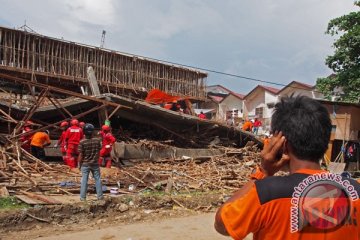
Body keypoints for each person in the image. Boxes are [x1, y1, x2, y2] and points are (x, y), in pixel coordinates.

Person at [214, 96, 360, 239]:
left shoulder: (267, 194)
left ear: (282, 144)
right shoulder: (355, 191)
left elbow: (222, 224)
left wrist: (263, 172)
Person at [78, 123, 103, 201]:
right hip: (95, 164)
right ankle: (100, 197)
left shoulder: (82, 142)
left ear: (84, 131)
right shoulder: (97, 141)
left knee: (84, 180)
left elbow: (81, 155)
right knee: (97, 179)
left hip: (85, 164)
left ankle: (83, 198)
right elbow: (99, 151)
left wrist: (79, 164)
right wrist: (96, 159)